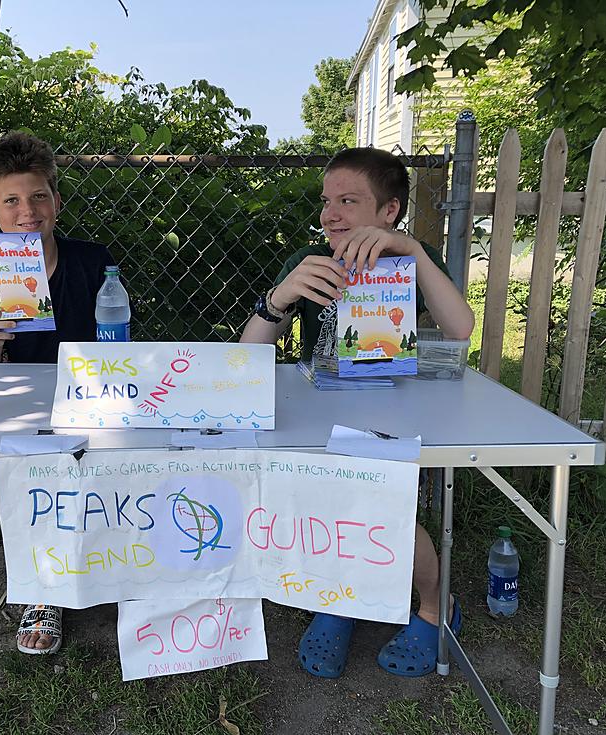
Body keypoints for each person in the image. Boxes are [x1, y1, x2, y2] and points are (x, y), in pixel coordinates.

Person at [240, 146, 474, 678]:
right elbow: (248, 352)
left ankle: (437, 606)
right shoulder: (311, 261)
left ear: (389, 211)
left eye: (349, 200)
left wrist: (410, 250)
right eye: (327, 201)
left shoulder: (409, 260)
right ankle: (340, 598)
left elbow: (460, 328)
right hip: (316, 413)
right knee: (321, 505)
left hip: (393, 411)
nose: (331, 214)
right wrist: (279, 299)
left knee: (386, 502)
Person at [0, 131, 115, 654]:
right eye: (12, 200)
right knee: (32, 453)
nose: (28, 211)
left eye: (39, 196)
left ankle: (114, 564)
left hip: (91, 397)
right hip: (18, 409)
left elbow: (115, 348)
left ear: (56, 202)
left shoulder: (93, 263)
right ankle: (45, 587)